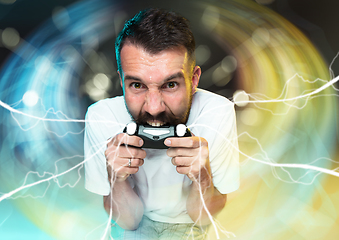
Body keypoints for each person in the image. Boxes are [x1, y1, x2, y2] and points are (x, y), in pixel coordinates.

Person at [84, 8, 239, 240]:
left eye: (170, 85)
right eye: (137, 85)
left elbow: (203, 218)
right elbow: (127, 221)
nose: (154, 108)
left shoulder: (217, 112)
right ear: (121, 81)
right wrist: (116, 180)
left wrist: (203, 177)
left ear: (194, 80)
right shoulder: (101, 116)